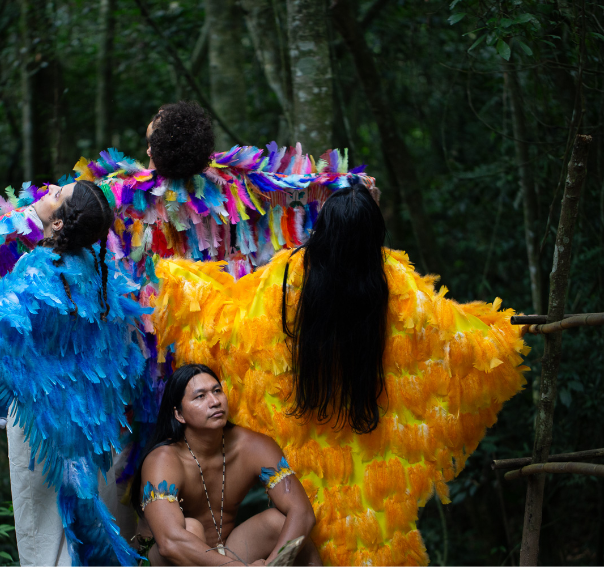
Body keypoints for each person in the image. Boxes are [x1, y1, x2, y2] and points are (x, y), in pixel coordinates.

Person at [150, 184, 529, 565]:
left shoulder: (289, 274)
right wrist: (502, 332)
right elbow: (447, 336)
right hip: (375, 436)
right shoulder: (393, 278)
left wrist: (184, 290)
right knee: (372, 533)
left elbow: (239, 330)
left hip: (307, 434)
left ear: (322, 229)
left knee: (308, 521)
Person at [0, 179, 148, 567]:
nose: (48, 193)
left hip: (42, 421)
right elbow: (122, 349)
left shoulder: (39, 268)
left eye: (56, 196)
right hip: (94, 421)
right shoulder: (104, 273)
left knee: (46, 534)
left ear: (58, 224)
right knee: (94, 524)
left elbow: (11, 305)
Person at [132, 364, 322, 567]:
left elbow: (302, 513)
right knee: (191, 528)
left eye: (217, 391)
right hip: (168, 558)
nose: (215, 401)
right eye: (200, 396)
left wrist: (274, 564)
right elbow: (170, 543)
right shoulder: (163, 460)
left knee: (283, 525)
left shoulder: (253, 447)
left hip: (226, 553)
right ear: (179, 414)